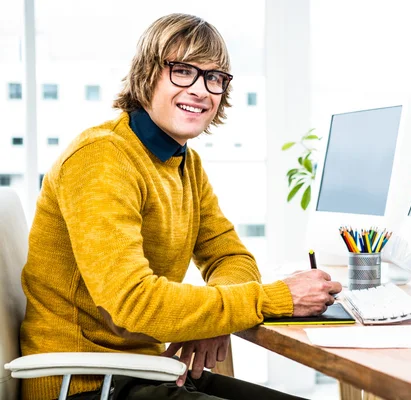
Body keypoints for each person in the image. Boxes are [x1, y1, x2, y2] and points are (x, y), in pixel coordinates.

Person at [20, 13, 342, 400]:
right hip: (85, 384)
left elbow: (231, 256)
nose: (201, 90)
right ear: (147, 74)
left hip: (144, 371)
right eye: (182, 71)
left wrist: (213, 321)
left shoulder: (183, 162)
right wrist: (274, 297)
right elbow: (135, 303)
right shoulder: (101, 158)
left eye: (214, 77)